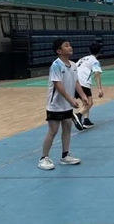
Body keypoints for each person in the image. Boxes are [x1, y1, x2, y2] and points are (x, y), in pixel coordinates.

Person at [38, 39, 88, 171]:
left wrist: (83, 96)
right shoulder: (56, 65)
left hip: (67, 105)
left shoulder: (73, 65)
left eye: (70, 45)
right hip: (55, 105)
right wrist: (70, 99)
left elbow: (76, 82)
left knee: (67, 128)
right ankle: (44, 158)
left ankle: (65, 156)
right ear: (59, 51)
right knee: (53, 130)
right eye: (66, 46)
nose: (70, 47)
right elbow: (58, 85)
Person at [74, 43, 104, 130]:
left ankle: (86, 121)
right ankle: (78, 115)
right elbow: (96, 74)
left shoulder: (82, 59)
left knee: (85, 102)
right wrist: (99, 89)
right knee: (89, 103)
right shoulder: (95, 61)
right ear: (100, 51)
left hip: (74, 81)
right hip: (83, 82)